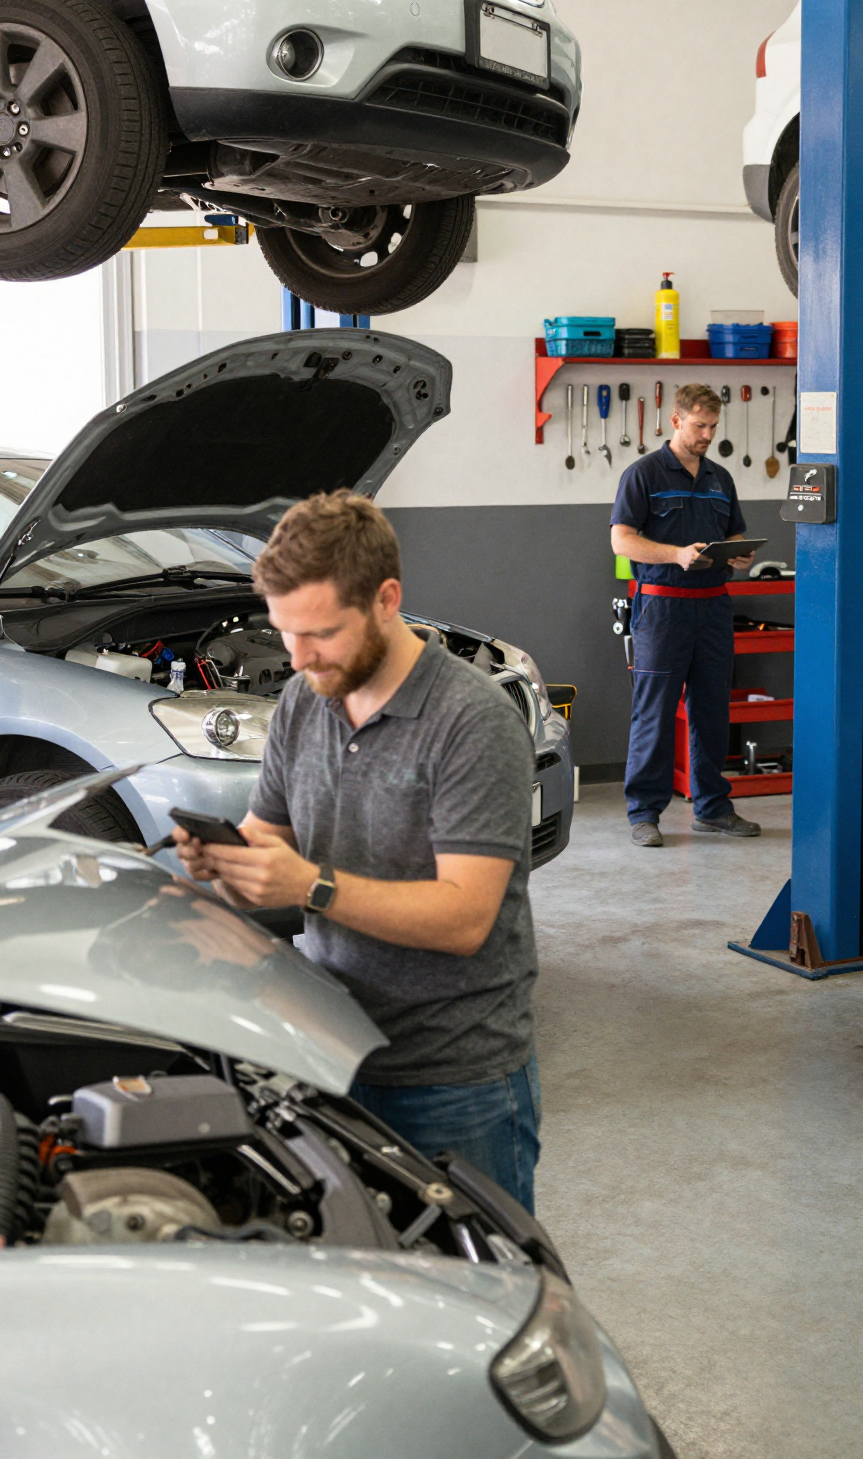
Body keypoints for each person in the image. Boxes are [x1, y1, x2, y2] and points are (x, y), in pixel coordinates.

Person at [172, 491, 543, 1212]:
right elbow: (266, 844)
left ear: (386, 599)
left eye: (321, 633)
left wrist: (309, 886)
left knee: (479, 1295)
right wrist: (226, 865)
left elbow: (466, 918)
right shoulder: (302, 704)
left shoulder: (473, 722)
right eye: (285, 634)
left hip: (455, 1078)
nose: (300, 657)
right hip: (335, 1049)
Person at [610, 383, 761, 848]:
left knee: (713, 712)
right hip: (662, 608)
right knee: (654, 712)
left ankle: (712, 807)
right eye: (699, 426)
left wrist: (741, 557)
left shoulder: (720, 478)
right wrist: (675, 554)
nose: (707, 435)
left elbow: (736, 533)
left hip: (713, 607)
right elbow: (622, 540)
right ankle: (644, 812)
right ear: (675, 421)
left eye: (713, 427)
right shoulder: (644, 474)